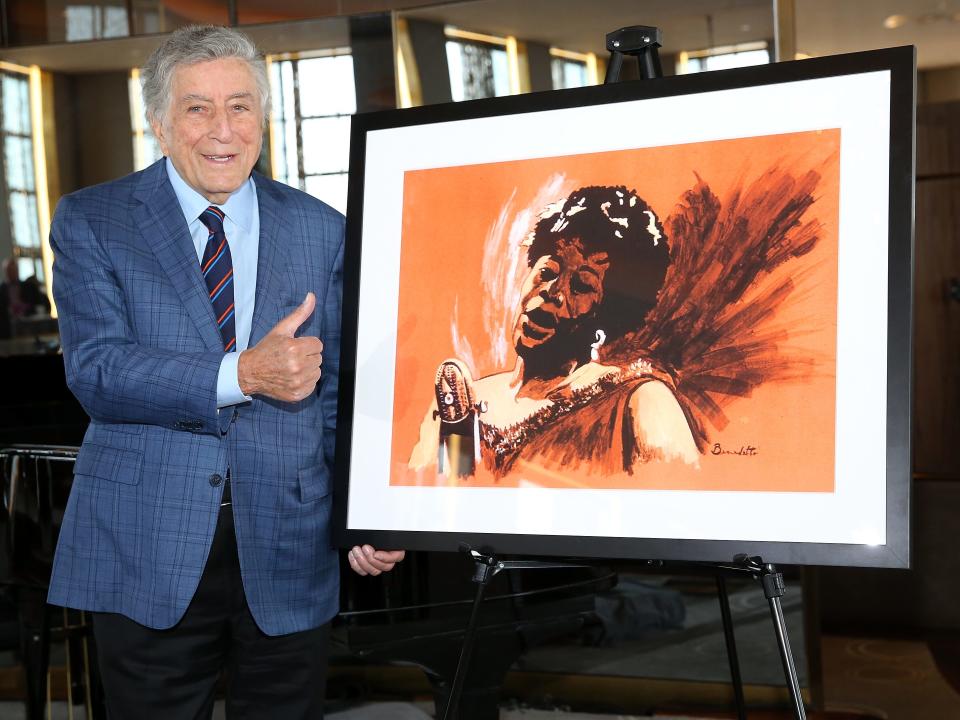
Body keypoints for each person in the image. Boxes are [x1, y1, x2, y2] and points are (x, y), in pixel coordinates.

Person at [47, 25, 403, 718]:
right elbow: (96, 370)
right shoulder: (95, 220)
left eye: (241, 106)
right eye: (197, 108)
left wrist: (364, 513)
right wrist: (243, 373)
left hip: (289, 547)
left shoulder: (321, 228)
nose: (223, 130)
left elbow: (339, 395)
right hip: (144, 545)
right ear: (157, 121)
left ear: (263, 119)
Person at [410, 185, 699, 479]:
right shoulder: (461, 403)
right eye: (547, 272)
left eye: (581, 286)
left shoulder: (640, 402)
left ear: (609, 317)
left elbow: (670, 503)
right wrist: (456, 437)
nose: (551, 292)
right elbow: (438, 497)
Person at [0, 257, 51, 338]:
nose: (12, 273)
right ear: (5, 272)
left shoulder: (29, 286)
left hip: (28, 324)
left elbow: (42, 303)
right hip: (7, 327)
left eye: (14, 270)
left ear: (17, 270)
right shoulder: (1, 289)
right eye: (9, 270)